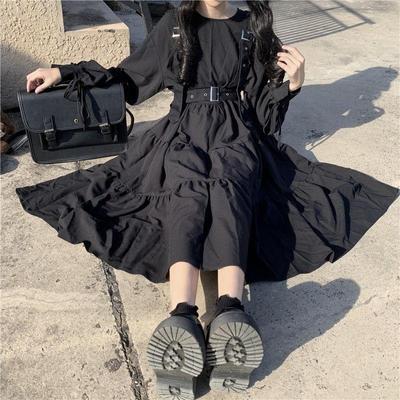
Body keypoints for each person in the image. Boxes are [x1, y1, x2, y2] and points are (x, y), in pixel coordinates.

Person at [17, 1, 399, 398]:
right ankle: (182, 316)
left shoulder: (252, 28)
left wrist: (292, 84)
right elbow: (130, 78)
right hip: (181, 131)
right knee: (186, 193)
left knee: (233, 188)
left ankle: (230, 310)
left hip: (237, 131)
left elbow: (265, 117)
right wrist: (65, 72)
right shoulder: (176, 25)